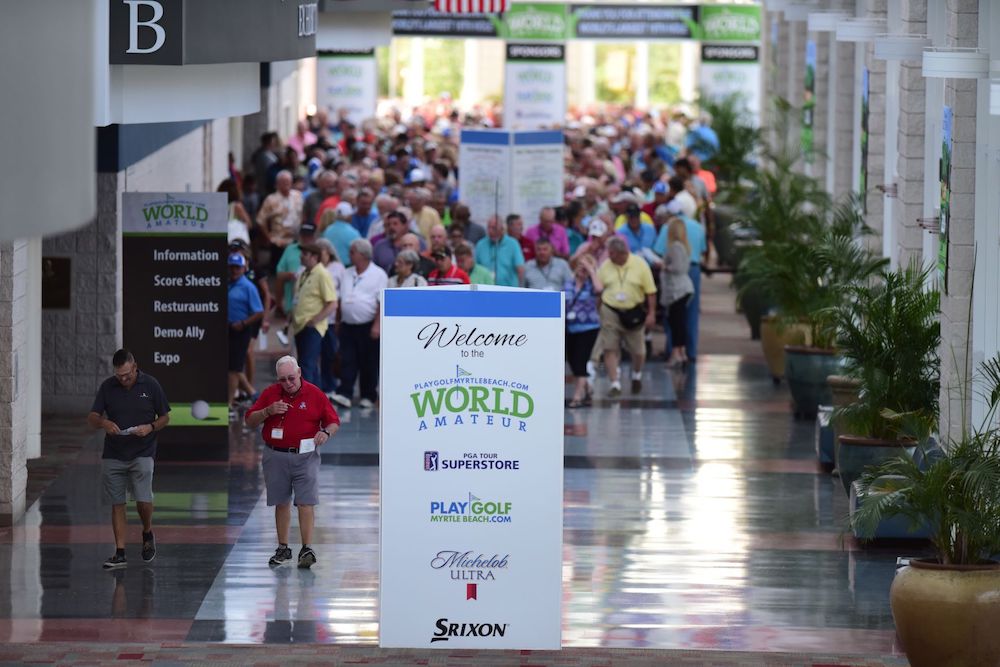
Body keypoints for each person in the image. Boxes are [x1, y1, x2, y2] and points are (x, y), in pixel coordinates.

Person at [246, 355, 340, 569]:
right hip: (275, 455)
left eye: (291, 378)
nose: (288, 383)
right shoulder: (270, 393)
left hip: (306, 456)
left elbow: (333, 421)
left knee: (306, 502)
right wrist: (267, 411)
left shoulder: (315, 394)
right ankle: (283, 548)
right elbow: (250, 420)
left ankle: (306, 548)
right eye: (283, 380)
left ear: (299, 373)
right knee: (281, 502)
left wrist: (326, 433)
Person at [87, 349, 171, 569]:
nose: (123, 379)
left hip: (143, 451)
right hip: (114, 452)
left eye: (127, 375)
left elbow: (165, 417)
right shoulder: (108, 387)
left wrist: (150, 427)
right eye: (119, 376)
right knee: (117, 502)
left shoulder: (151, 385)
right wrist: (104, 423)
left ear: (135, 367)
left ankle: (147, 532)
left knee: (143, 499)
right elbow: (92, 417)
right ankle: (120, 552)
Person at [596, 237, 657, 397]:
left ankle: (636, 374)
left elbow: (650, 292)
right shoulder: (606, 266)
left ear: (622, 253)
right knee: (610, 347)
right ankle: (614, 383)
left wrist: (651, 313)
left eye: (612, 254)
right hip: (610, 310)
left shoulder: (640, 265)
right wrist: (598, 311)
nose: (609, 256)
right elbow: (598, 290)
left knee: (638, 351)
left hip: (633, 312)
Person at [330, 239, 388, 409]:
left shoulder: (379, 274)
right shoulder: (347, 273)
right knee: (347, 359)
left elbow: (381, 302)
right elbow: (340, 299)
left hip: (368, 324)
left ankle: (368, 395)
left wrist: (377, 325)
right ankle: (345, 393)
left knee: (368, 361)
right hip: (348, 324)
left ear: (362, 255)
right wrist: (338, 321)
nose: (349, 255)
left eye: (352, 252)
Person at [656, 194, 707, 361]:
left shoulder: (668, 227)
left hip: (675, 273)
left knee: (673, 315)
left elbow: (659, 250)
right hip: (693, 269)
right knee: (690, 314)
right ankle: (690, 351)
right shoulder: (697, 227)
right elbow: (702, 249)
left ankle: (673, 350)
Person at [290, 243, 338, 389]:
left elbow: (332, 303)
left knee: (306, 365)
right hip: (300, 325)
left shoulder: (322, 274)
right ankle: (317, 398)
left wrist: (315, 320)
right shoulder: (304, 273)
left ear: (314, 257)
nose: (301, 256)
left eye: (305, 254)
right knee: (308, 366)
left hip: (312, 327)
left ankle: (306, 398)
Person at [564, 255, 603, 408]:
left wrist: (591, 271)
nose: (582, 268)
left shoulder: (592, 284)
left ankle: (577, 396)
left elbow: (599, 290)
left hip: (588, 327)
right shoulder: (569, 283)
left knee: (581, 360)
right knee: (572, 361)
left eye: (585, 266)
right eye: (580, 265)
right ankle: (587, 388)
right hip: (570, 327)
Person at [227, 252, 264, 411]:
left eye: (237, 267)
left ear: (243, 268)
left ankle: (229, 403)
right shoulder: (228, 284)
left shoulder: (248, 287)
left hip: (241, 330)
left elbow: (259, 311)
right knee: (230, 366)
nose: (234, 270)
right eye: (232, 267)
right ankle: (253, 393)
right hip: (228, 329)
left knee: (234, 369)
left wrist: (243, 323)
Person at [659, 217, 695, 369]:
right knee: (680, 321)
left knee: (675, 322)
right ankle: (681, 352)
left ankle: (676, 353)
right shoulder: (684, 246)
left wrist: (664, 266)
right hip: (683, 288)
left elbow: (677, 267)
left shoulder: (675, 247)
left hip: (677, 290)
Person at [315, 238, 345, 397]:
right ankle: (316, 386)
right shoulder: (312, 267)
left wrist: (340, 318)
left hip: (332, 319)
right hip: (314, 318)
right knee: (314, 354)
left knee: (330, 353)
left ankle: (330, 385)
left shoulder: (338, 268)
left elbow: (342, 293)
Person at [475, 215, 525, 287]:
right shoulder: (480, 244)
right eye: (488, 227)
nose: (490, 231)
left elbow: (520, 269)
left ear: (502, 229)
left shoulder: (513, 244)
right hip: (485, 288)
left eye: (494, 228)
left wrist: (520, 289)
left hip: (508, 289)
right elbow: (475, 268)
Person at [321, 202, 361, 269]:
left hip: (329, 268)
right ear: (349, 216)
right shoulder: (353, 232)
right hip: (347, 268)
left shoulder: (327, 230)